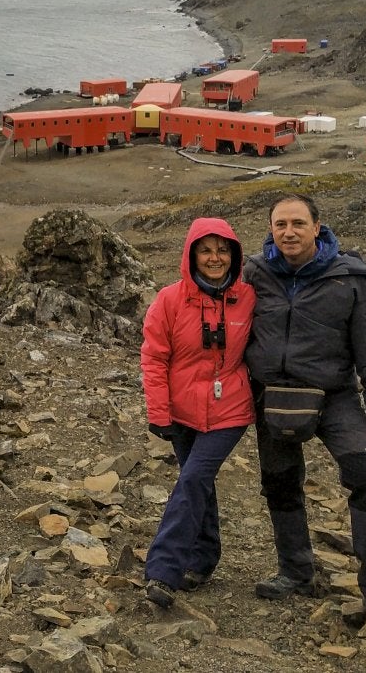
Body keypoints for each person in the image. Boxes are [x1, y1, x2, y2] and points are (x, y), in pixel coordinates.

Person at [243, 193, 366, 646]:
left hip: (334, 396)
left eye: (298, 223)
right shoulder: (254, 273)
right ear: (271, 229)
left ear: (318, 227)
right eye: (280, 224)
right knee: (279, 481)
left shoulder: (355, 281)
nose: (288, 232)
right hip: (272, 395)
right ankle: (295, 571)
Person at [139, 217, 255, 610]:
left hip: (231, 411)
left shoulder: (249, 297)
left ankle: (163, 572)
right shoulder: (169, 300)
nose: (214, 258)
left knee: (191, 481)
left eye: (222, 250)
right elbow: (154, 358)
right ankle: (203, 560)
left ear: (234, 255)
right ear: (190, 255)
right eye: (205, 250)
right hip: (182, 412)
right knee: (198, 483)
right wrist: (159, 412)